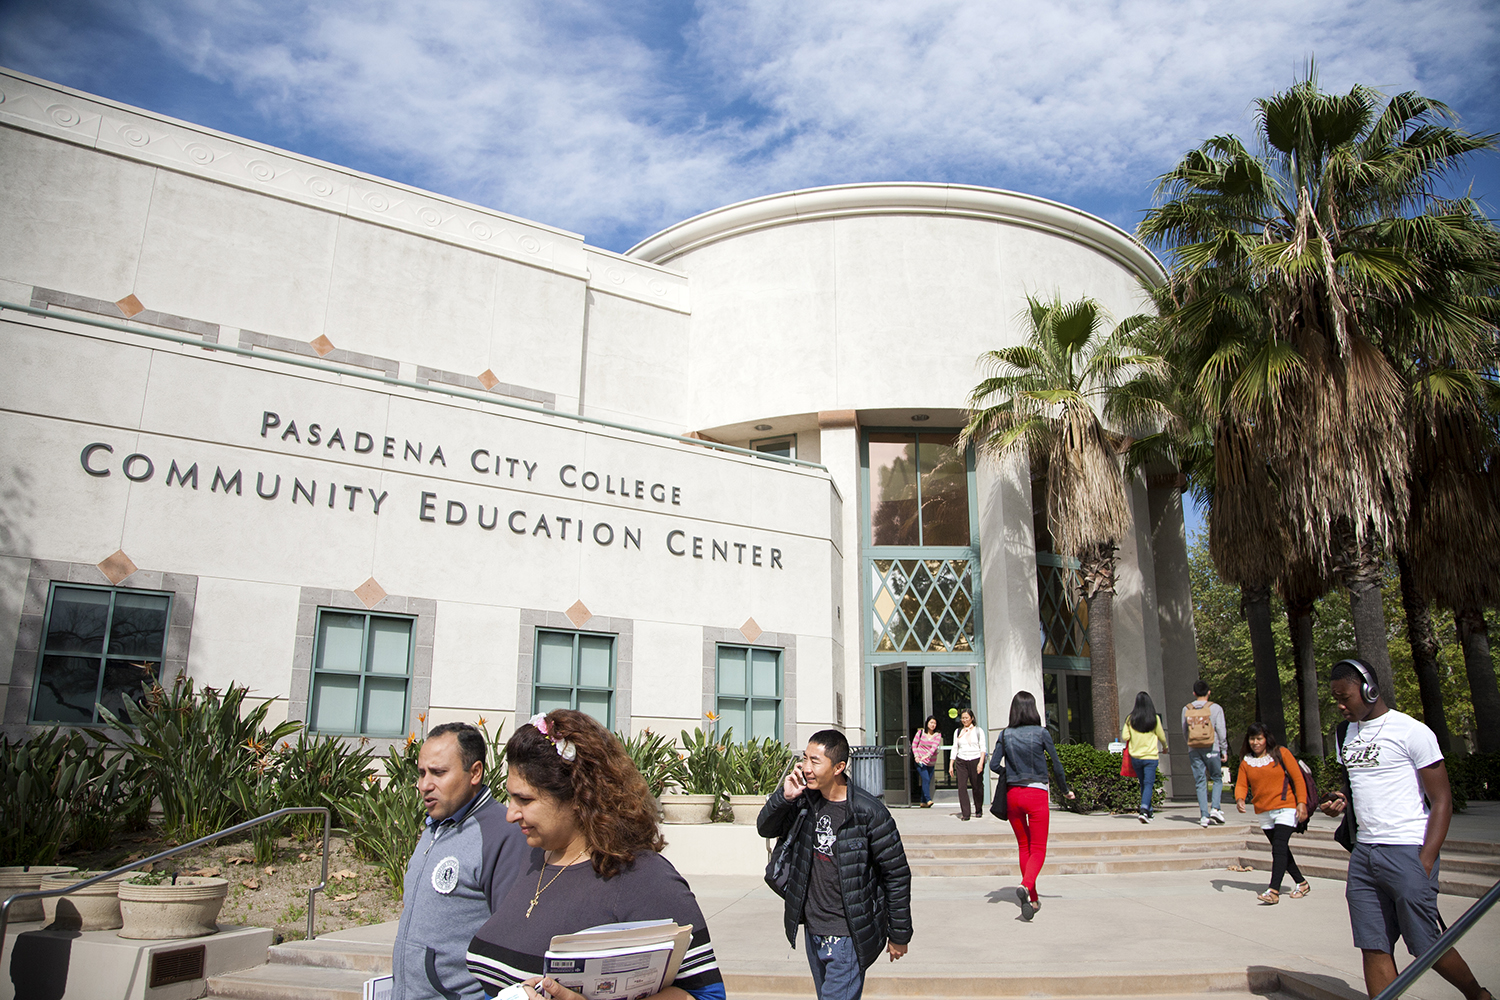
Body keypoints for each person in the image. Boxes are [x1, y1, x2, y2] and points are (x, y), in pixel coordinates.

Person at [466, 711, 725, 1000]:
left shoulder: (642, 878)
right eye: (510, 797)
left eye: (525, 799)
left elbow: (707, 995)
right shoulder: (532, 859)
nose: (511, 814)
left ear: (579, 797)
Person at [1321, 658, 1493, 1000]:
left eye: (1345, 697)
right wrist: (1339, 799)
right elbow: (1354, 785)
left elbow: (1442, 800)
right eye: (1335, 699)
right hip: (1364, 855)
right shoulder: (1344, 734)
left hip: (1407, 850)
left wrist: (1425, 860)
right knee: (1373, 944)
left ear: (1370, 689)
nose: (1340, 706)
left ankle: (1479, 996)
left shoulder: (1412, 731)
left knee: (1425, 943)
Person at [757, 728, 912, 1000]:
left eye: (815, 761)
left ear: (839, 767)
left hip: (848, 935)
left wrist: (899, 933)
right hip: (813, 928)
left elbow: (896, 874)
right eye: (805, 758)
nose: (806, 768)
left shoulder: (869, 812)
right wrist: (785, 797)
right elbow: (765, 828)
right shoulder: (804, 801)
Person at [393, 722, 528, 1000]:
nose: (424, 785)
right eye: (421, 773)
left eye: (438, 773)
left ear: (475, 772)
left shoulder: (502, 835)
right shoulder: (434, 827)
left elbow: (513, 943)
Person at [991, 691, 1075, 921]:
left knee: (1023, 846)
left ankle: (1033, 899)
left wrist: (1008, 774)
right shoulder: (1041, 733)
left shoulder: (1005, 734)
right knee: (1038, 848)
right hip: (1036, 794)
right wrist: (1065, 790)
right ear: (1033, 709)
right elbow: (1056, 765)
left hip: (1012, 796)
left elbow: (993, 764)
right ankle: (1026, 885)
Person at [1233, 722, 1309, 904]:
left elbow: (1298, 778)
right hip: (1264, 811)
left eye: (1259, 738)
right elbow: (1242, 784)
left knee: (1279, 847)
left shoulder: (1281, 753)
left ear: (1266, 738)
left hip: (1286, 807)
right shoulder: (1246, 761)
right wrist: (1240, 799)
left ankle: (1273, 891)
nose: (1255, 742)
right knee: (1281, 849)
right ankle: (1302, 882)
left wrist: (1301, 803)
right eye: (1252, 739)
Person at [1182, 680, 1228, 828]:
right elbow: (1221, 730)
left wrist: (1190, 743)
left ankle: (1203, 815)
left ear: (1194, 693)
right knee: (1216, 778)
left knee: (1200, 781)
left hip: (1194, 749)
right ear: (1209, 692)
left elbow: (1185, 731)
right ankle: (1215, 807)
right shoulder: (1215, 708)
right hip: (1212, 748)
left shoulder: (1186, 708)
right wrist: (1224, 749)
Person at [1120, 691, 1168, 823]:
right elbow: (1162, 736)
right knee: (1148, 784)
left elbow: (1125, 737)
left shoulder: (1130, 719)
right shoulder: (1154, 719)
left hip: (1136, 757)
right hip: (1151, 757)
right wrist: (1165, 747)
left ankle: (1149, 811)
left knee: (1143, 784)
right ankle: (1144, 810)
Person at [948, 708, 987, 821]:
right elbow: (954, 748)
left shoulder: (979, 731)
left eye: (967, 718)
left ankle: (978, 809)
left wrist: (980, 763)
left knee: (977, 786)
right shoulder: (958, 732)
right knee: (962, 787)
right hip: (961, 761)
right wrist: (951, 764)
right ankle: (966, 813)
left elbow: (983, 748)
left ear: (972, 718)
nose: (964, 720)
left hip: (975, 759)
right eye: (963, 718)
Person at [911, 716, 942, 808]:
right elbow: (914, 745)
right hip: (920, 762)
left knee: (926, 781)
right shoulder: (920, 733)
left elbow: (934, 747)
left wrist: (927, 755)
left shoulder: (937, 735)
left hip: (931, 762)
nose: (933, 725)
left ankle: (922, 802)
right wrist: (916, 756)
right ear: (927, 723)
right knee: (926, 779)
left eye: (934, 723)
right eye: (931, 723)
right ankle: (928, 799)